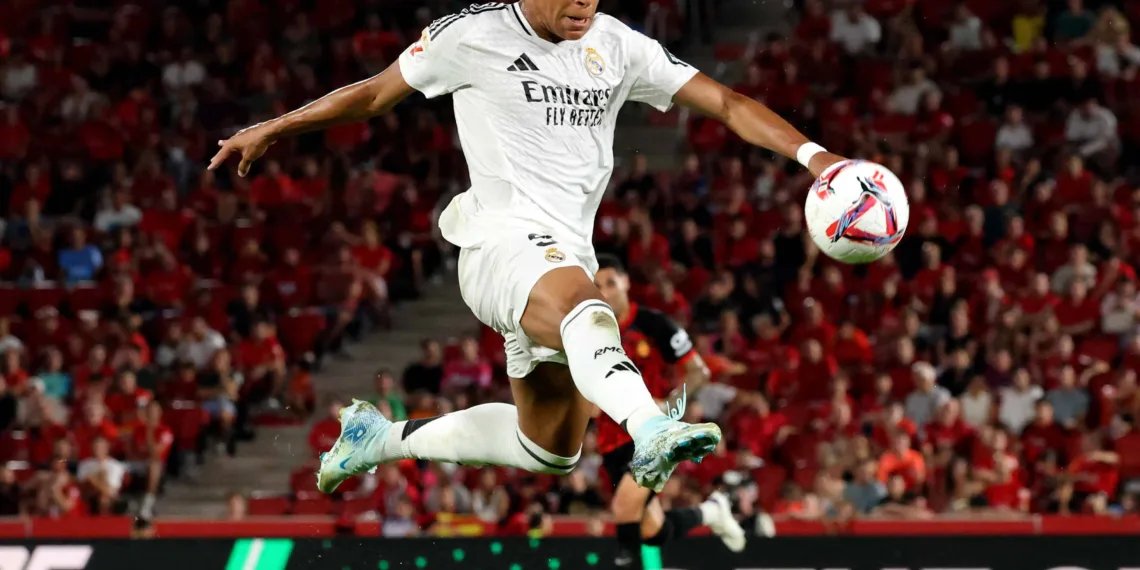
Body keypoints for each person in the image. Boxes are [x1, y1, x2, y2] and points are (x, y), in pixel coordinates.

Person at [209, 0, 846, 495]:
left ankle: (378, 440)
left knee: (550, 450)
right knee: (586, 306)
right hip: (498, 241)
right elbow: (376, 94)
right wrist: (276, 125)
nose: (584, 5)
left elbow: (728, 102)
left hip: (563, 254)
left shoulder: (618, 45)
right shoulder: (471, 36)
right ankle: (652, 427)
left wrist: (819, 160)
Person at [592, 254, 745, 567]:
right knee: (653, 531)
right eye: (597, 285)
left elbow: (698, 372)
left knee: (624, 509)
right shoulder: (591, 332)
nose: (604, 291)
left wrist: (670, 403)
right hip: (611, 440)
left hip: (651, 433)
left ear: (626, 282)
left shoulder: (654, 324)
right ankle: (712, 511)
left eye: (610, 282)